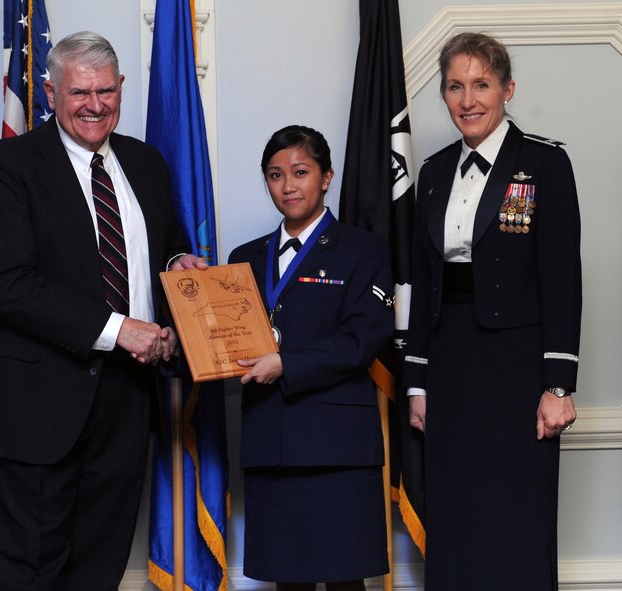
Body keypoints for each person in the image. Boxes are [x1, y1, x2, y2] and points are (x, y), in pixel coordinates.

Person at [0, 31, 206, 590]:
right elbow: (7, 284)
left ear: (121, 88)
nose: (96, 105)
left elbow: (149, 253)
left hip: (126, 399)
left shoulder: (145, 163)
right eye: (80, 93)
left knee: (102, 565)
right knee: (33, 573)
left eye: (107, 92)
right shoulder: (9, 163)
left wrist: (176, 263)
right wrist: (121, 330)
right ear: (49, 92)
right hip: (38, 401)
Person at [402, 32, 581, 589]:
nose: (468, 99)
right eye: (455, 87)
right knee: (454, 513)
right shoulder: (431, 174)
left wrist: (558, 384)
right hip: (451, 365)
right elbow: (421, 282)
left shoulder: (544, 163)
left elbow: (562, 278)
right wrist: (417, 384)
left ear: (507, 89)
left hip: (519, 367)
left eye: (481, 84)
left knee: (518, 515)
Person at [227, 125, 394, 591]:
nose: (288, 186)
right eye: (275, 175)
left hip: (336, 447)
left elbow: (363, 339)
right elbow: (230, 341)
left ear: (326, 177)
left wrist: (287, 363)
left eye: (300, 172)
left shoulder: (364, 250)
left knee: (344, 582)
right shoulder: (243, 258)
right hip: (271, 443)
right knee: (287, 582)